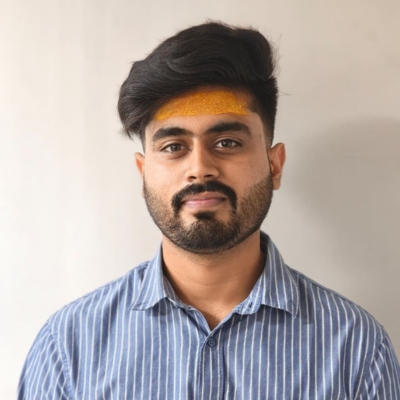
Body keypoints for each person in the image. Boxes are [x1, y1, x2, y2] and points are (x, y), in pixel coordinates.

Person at [18, 22, 400, 399]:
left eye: (227, 142)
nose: (200, 168)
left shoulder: (357, 350)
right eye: (173, 147)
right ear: (143, 173)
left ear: (275, 165)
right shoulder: (68, 348)